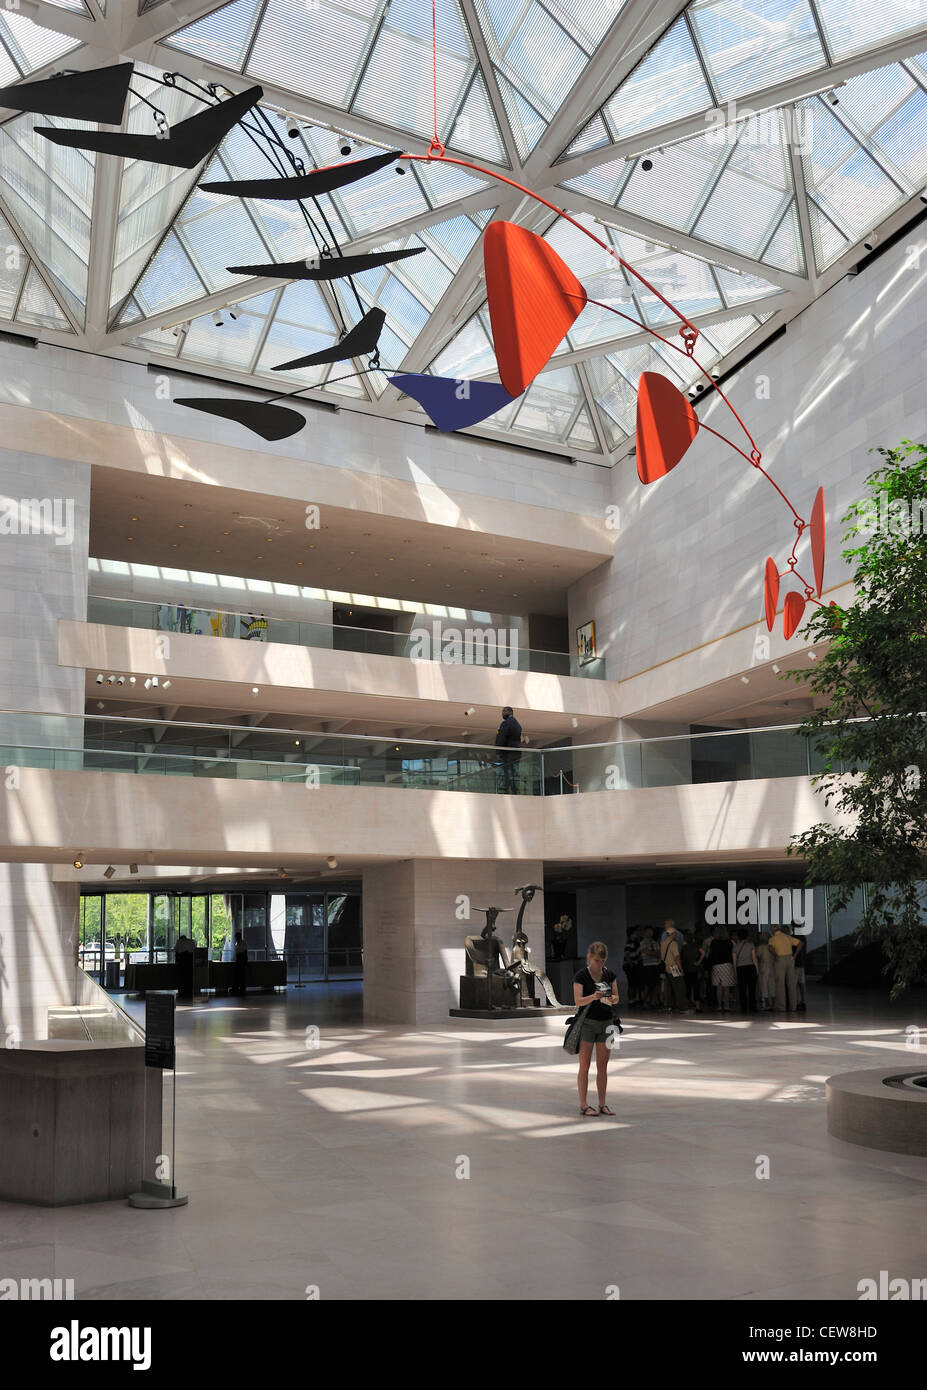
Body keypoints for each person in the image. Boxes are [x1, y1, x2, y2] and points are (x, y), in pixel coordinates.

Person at [573, 942, 618, 1116]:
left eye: (602, 960)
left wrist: (612, 998)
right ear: (590, 957)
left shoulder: (609, 974)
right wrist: (593, 996)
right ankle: (584, 1104)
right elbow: (578, 1001)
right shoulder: (581, 976)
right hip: (588, 1023)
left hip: (607, 1023)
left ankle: (602, 1103)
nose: (599, 964)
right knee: (584, 1065)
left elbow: (617, 997)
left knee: (603, 1065)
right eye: (596, 960)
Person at [769, 923, 802, 1012]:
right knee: (791, 984)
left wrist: (775, 955)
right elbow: (800, 943)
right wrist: (795, 956)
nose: (770, 930)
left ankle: (782, 1007)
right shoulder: (787, 937)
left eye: (770, 928)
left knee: (780, 984)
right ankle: (793, 1007)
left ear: (773, 929)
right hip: (790, 959)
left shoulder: (772, 939)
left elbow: (771, 948)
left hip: (780, 960)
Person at [660, 920, 691, 1013]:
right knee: (680, 987)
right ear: (672, 934)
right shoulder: (674, 943)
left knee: (669, 988)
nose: (676, 935)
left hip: (667, 967)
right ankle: (683, 1008)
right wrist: (681, 969)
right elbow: (677, 957)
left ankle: (669, 1007)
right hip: (674, 968)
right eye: (674, 933)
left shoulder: (663, 944)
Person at [494, 705, 523, 793]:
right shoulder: (518, 724)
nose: (502, 713)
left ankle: (506, 789)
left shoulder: (506, 723)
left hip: (508, 752)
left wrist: (498, 751)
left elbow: (501, 738)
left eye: (504, 711)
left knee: (507, 771)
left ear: (510, 712)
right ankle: (515, 789)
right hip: (517, 752)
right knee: (514, 772)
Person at [708, 926, 736, 1012]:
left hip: (716, 966)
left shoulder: (713, 942)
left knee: (719, 986)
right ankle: (727, 1006)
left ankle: (719, 1006)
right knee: (726, 987)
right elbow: (733, 954)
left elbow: (710, 954)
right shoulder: (730, 942)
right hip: (727, 965)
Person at [732, 928, 758, 1013]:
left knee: (742, 989)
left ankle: (743, 1008)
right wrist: (757, 969)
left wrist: (735, 972)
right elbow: (754, 958)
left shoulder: (735, 946)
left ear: (738, 937)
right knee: (752, 989)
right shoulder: (751, 945)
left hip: (740, 969)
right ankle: (752, 1007)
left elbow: (734, 961)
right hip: (750, 968)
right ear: (747, 936)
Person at [639, 924, 661, 1007]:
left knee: (655, 985)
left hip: (655, 965)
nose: (649, 933)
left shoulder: (655, 942)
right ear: (645, 932)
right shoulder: (643, 942)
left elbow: (659, 953)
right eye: (648, 931)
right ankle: (645, 1002)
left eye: (651, 931)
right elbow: (646, 952)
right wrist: (654, 953)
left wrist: (653, 953)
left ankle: (653, 1002)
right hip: (647, 965)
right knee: (647, 985)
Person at [681, 929, 702, 1011]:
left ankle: (689, 1005)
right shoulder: (697, 946)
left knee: (688, 988)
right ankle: (697, 1006)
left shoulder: (684, 948)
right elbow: (702, 955)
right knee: (696, 989)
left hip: (687, 970)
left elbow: (681, 960)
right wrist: (699, 963)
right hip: (694, 970)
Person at [755, 933, 775, 1011]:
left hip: (763, 967)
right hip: (772, 967)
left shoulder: (760, 947)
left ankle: (766, 1004)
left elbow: (757, 957)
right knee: (772, 985)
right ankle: (773, 1003)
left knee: (764, 986)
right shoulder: (771, 946)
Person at [623, 927, 642, 1005]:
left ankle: (634, 999)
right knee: (631, 983)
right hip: (630, 965)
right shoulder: (629, 943)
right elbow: (627, 956)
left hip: (634, 964)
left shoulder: (636, 943)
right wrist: (631, 964)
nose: (637, 934)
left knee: (634, 983)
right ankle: (631, 1000)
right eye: (635, 933)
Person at [174, 931, 194, 1001]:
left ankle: (182, 991)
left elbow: (176, 951)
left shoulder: (179, 942)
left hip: (182, 961)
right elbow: (194, 951)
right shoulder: (191, 942)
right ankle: (189, 990)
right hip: (190, 961)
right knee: (189, 976)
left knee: (182, 977)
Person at [233, 931, 248, 996]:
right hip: (239, 960)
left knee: (242, 976)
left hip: (241, 960)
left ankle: (242, 989)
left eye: (236, 937)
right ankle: (238, 988)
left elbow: (244, 952)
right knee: (239, 975)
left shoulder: (242, 943)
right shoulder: (237, 943)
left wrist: (244, 961)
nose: (236, 938)